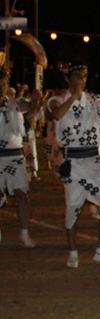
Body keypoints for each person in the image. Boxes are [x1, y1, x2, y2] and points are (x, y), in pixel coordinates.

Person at [49, 64, 100, 268]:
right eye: (76, 77)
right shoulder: (58, 99)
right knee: (73, 208)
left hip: (93, 161)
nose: (80, 81)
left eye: (83, 77)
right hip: (73, 162)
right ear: (68, 80)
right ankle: (73, 252)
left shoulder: (94, 99)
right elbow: (55, 115)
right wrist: (74, 97)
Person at [0, 72, 41, 247]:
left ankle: (24, 233)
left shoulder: (14, 104)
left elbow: (30, 108)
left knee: (22, 195)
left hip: (15, 155)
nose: (1, 86)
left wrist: (36, 100)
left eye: (3, 83)